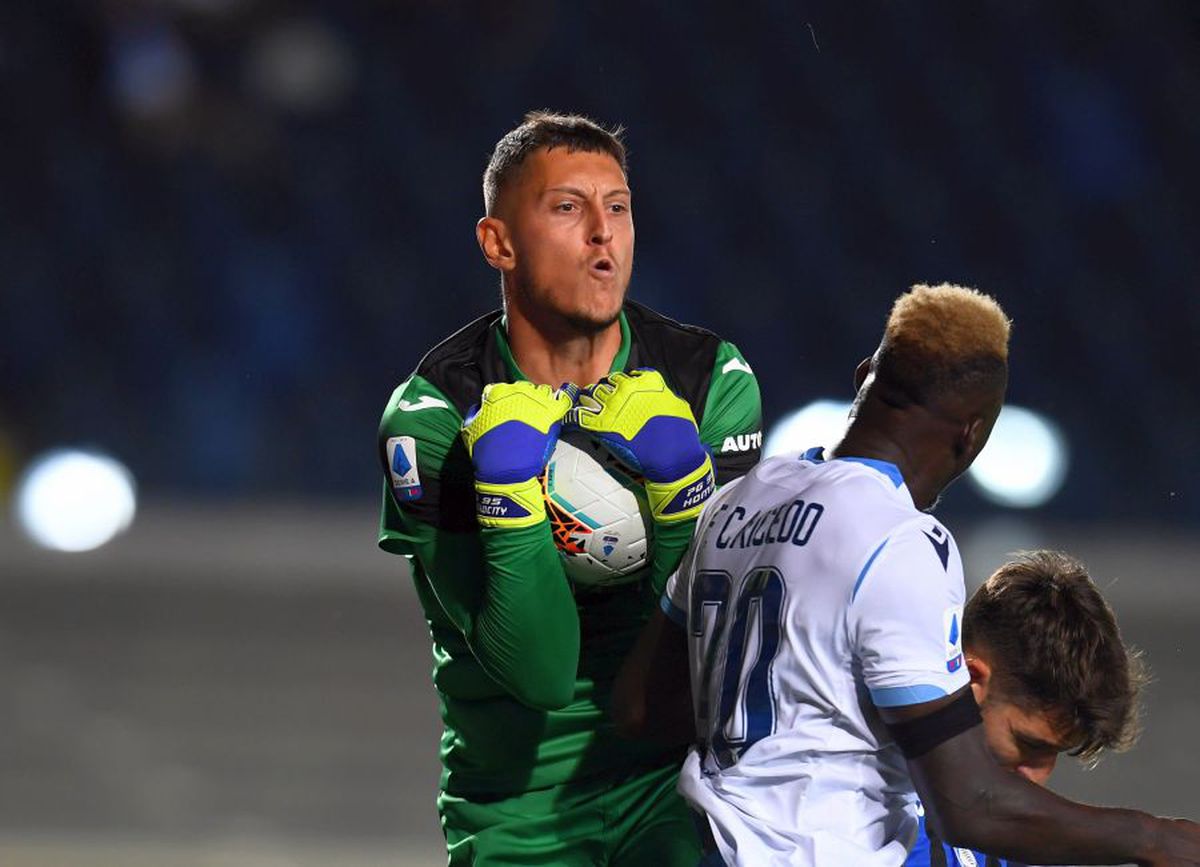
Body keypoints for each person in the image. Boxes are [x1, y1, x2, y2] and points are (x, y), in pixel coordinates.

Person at [613, 283, 1200, 866]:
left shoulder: (741, 499)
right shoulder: (901, 542)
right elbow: (970, 807)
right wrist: (1155, 839)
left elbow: (642, 709)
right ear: (973, 434)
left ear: (865, 374)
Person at [376, 111, 762, 865]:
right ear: (498, 242)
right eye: (566, 207)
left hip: (677, 784)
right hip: (519, 803)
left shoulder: (708, 382)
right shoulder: (433, 420)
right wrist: (507, 493)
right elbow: (539, 673)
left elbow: (717, 658)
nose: (602, 234)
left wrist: (685, 492)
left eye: (617, 207)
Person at [905, 549, 1146, 867]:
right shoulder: (856, 803)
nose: (1037, 777)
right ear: (971, 677)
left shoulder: (1019, 846)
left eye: (1055, 753)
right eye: (1028, 744)